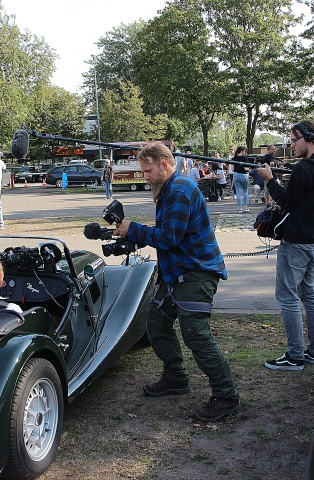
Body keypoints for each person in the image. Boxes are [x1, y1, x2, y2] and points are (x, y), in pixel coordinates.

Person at [112, 143, 239, 423]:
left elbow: (170, 238)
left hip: (196, 273)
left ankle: (226, 396)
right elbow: (168, 235)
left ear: (164, 165)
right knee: (156, 323)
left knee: (196, 333)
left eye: (147, 171)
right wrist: (135, 234)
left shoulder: (179, 190)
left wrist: (134, 229)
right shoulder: (170, 188)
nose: (144, 176)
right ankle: (176, 378)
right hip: (178, 272)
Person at [257, 119, 314, 371]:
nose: (292, 145)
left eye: (294, 140)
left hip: (298, 244)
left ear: (310, 138)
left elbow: (287, 202)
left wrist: (269, 179)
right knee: (310, 294)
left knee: (288, 297)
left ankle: (294, 356)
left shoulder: (305, 168)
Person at [232, 146, 250, 213]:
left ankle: (240, 208)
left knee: (238, 192)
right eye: (244, 151)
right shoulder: (245, 158)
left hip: (236, 175)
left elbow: (233, 169)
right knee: (245, 191)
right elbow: (246, 168)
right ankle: (245, 206)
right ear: (242, 151)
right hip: (244, 175)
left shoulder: (234, 158)